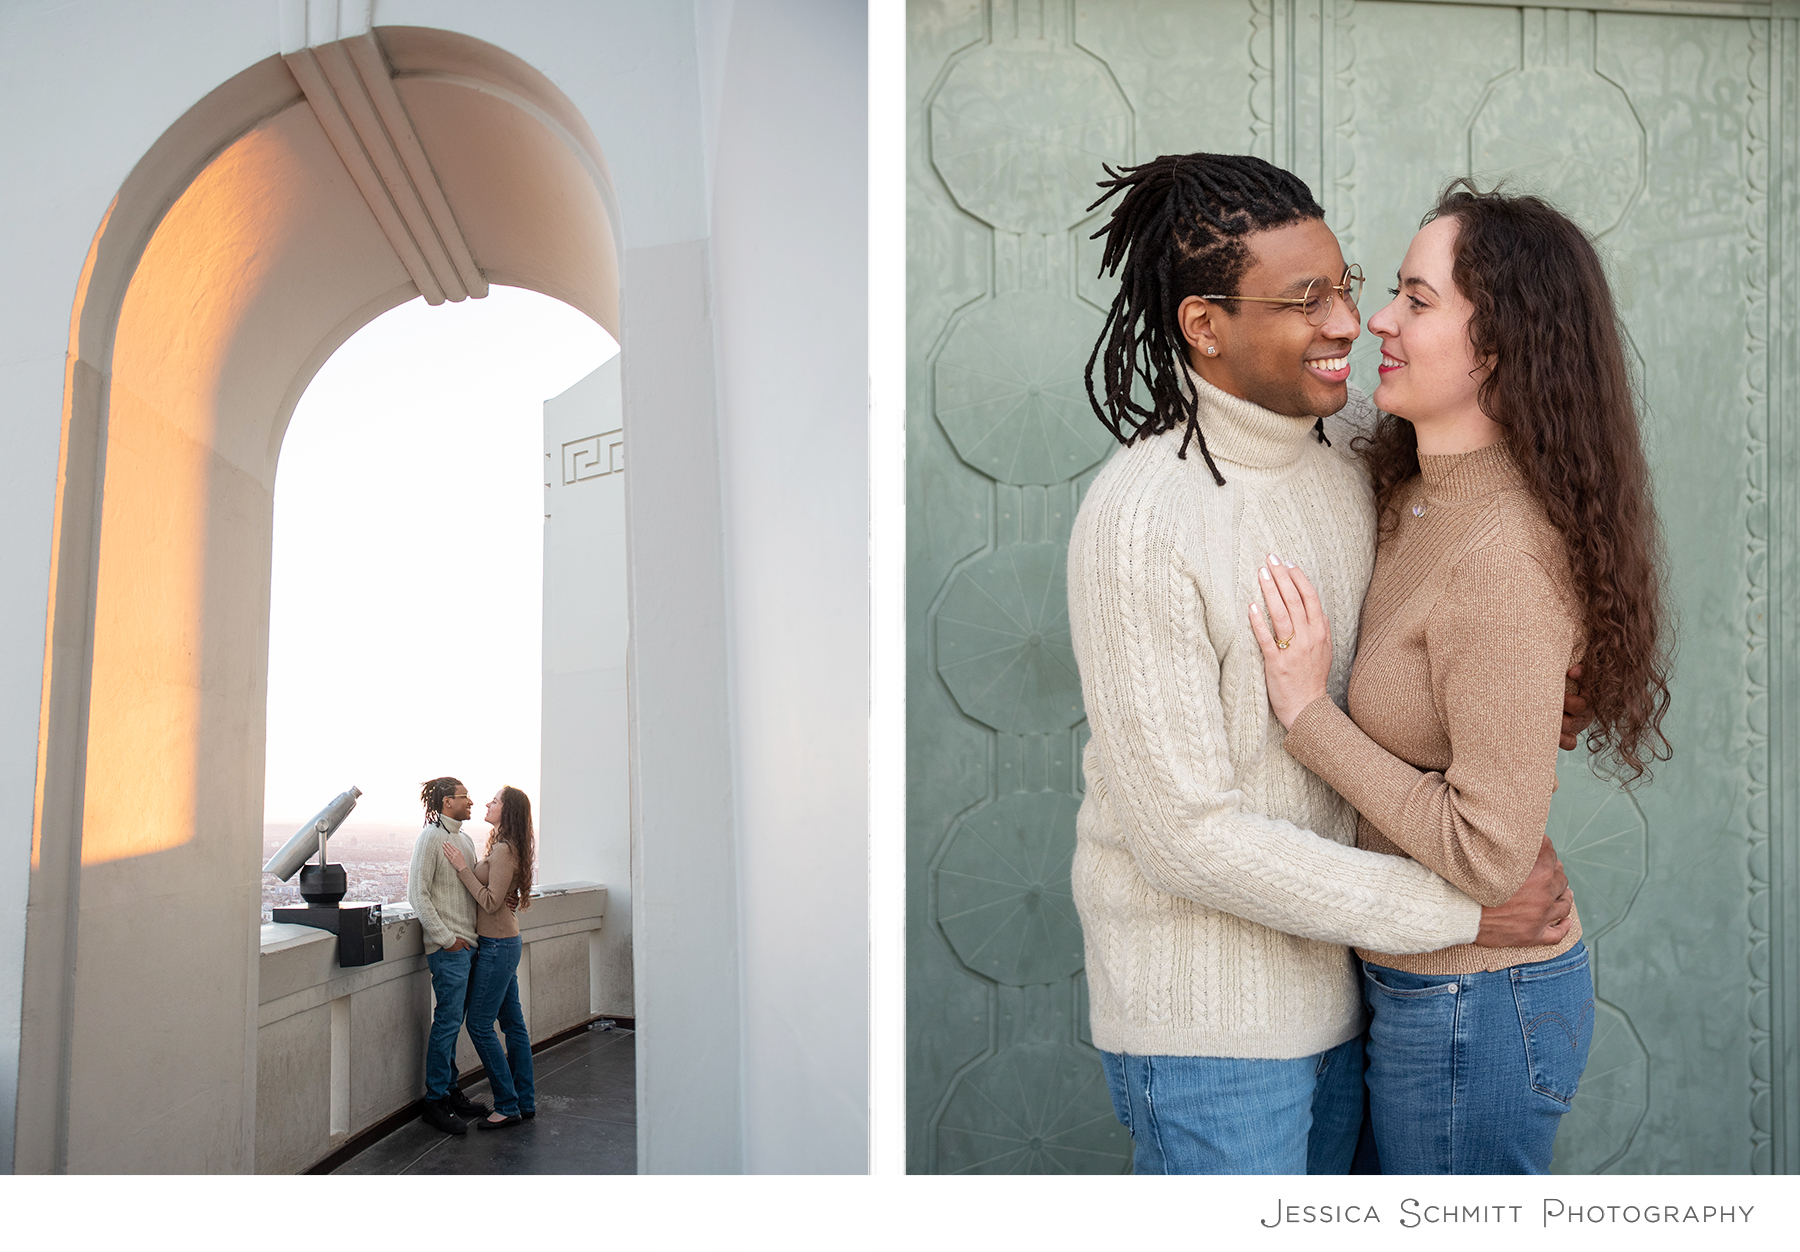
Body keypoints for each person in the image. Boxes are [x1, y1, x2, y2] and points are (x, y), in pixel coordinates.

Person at [1069, 152, 1582, 1175]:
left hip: (1352, 999)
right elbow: (1186, 840)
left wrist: (1539, 685)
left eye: (1348, 286)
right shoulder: (1142, 519)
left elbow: (1492, 562)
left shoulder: (1353, 452)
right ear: (1205, 327)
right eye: (1307, 300)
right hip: (1210, 1034)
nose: (1351, 322)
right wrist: (1461, 911)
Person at [1252, 182, 1671, 1173]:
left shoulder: (1503, 557)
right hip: (1406, 988)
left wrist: (1309, 714)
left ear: (1501, 346)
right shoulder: (1411, 493)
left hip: (1473, 1011)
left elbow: (1488, 857)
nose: (1380, 321)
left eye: (1418, 299)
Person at [442, 785, 538, 1128]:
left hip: (498, 947)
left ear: (507, 811)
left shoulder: (503, 851)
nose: (487, 803)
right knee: (513, 1025)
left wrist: (460, 868)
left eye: (494, 801)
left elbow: (491, 902)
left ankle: (508, 1104)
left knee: (480, 1025)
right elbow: (500, 898)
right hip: (504, 943)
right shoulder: (507, 848)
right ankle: (523, 1101)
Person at [408, 776, 491, 1135]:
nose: (471, 802)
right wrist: (446, 939)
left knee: (454, 1023)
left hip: (469, 946)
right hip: (450, 950)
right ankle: (435, 1101)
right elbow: (417, 894)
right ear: (446, 803)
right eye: (464, 797)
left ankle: (451, 1090)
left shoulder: (465, 839)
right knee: (447, 1023)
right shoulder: (431, 838)